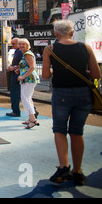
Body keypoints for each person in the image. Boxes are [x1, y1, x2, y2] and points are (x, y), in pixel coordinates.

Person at [42, 20, 101, 186]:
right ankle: (78, 171)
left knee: (60, 130)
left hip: (61, 94)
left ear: (56, 34)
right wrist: (83, 72)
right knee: (77, 132)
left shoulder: (50, 50)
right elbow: (96, 75)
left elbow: (45, 75)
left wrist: (56, 70)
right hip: (83, 94)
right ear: (72, 33)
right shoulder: (85, 47)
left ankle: (63, 167)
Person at [16, 38, 40, 129]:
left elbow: (32, 67)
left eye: (23, 44)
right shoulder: (25, 54)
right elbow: (27, 66)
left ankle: (33, 120)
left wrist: (23, 76)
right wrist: (19, 70)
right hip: (28, 79)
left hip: (29, 79)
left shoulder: (27, 54)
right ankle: (31, 118)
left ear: (27, 45)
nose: (21, 46)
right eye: (20, 44)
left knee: (25, 98)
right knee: (27, 98)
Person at [6, 38, 23, 117]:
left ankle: (16, 111)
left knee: (16, 94)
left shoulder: (20, 52)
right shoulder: (17, 51)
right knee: (19, 94)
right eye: (11, 43)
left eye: (13, 44)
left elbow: (25, 64)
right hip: (16, 75)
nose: (12, 45)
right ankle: (16, 110)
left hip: (17, 76)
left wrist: (14, 67)